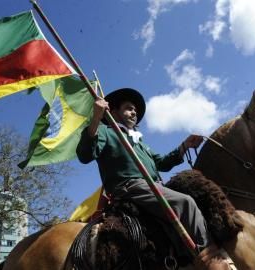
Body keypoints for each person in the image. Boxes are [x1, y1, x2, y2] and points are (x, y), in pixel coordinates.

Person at [76, 88, 230, 269]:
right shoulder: (105, 131)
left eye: (135, 110)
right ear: (114, 112)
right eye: (128, 108)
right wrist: (96, 118)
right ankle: (210, 259)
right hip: (129, 186)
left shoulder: (140, 143)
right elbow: (85, 155)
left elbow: (162, 163)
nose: (134, 112)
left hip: (153, 186)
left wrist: (185, 146)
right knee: (185, 202)